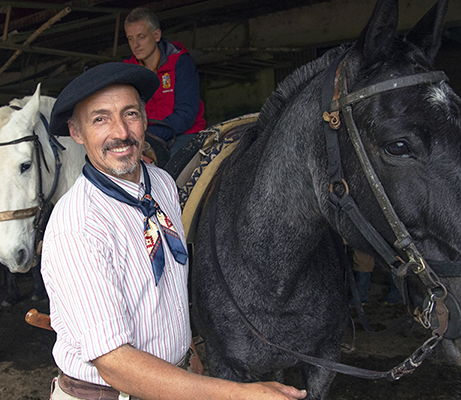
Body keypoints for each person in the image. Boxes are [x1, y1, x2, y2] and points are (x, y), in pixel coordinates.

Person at [43, 62, 307, 400]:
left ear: (145, 118)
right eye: (100, 119)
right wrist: (240, 394)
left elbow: (166, 285)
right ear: (77, 133)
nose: (121, 132)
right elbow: (114, 363)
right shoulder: (78, 227)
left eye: (130, 114)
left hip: (173, 380)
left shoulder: (163, 184)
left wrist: (185, 351)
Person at [123, 7, 206, 156]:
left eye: (141, 37)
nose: (135, 45)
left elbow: (186, 113)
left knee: (172, 171)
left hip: (184, 133)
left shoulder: (180, 62)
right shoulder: (128, 71)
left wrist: (151, 134)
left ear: (156, 35)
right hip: (145, 137)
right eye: (130, 38)